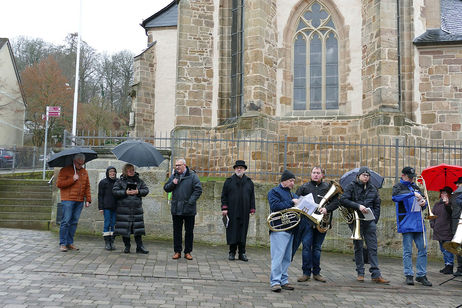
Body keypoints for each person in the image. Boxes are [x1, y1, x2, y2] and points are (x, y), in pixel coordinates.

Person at [340, 166, 389, 284]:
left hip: (369, 221)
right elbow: (343, 200)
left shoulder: (373, 189)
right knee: (358, 247)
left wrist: (374, 219)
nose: (366, 177)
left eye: (367, 176)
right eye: (364, 175)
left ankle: (376, 274)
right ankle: (360, 273)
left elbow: (377, 205)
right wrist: (358, 206)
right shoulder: (351, 186)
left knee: (373, 247)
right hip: (356, 221)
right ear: (359, 176)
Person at [292, 166, 339, 283]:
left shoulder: (328, 188)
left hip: (322, 222)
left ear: (322, 175)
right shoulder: (304, 187)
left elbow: (337, 202)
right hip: (307, 222)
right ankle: (306, 273)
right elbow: (296, 201)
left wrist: (327, 209)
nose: (315, 175)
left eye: (318, 173)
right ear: (310, 174)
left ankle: (316, 273)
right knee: (307, 248)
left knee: (317, 248)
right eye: (313, 173)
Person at [392, 166, 432, 286]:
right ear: (403, 175)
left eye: (412, 178)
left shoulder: (416, 187)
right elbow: (395, 197)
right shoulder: (398, 186)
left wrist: (423, 203)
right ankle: (409, 274)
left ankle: (421, 274)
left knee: (423, 249)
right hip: (406, 222)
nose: (411, 180)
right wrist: (412, 193)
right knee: (408, 251)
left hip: (418, 222)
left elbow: (422, 205)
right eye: (409, 177)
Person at [163, 158, 203, 260]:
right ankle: (177, 251)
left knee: (189, 232)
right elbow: (166, 188)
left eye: (179, 165)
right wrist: (173, 183)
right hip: (176, 209)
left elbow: (198, 190)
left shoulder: (192, 176)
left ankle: (188, 252)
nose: (177, 167)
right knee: (177, 231)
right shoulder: (174, 176)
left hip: (189, 209)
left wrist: (190, 201)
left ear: (184, 165)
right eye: (176, 165)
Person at [268, 170, 299, 292]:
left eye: (293, 181)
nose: (292, 183)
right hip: (279, 228)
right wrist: (292, 203)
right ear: (284, 181)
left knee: (286, 257)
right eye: (291, 181)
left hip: (291, 229)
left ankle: (283, 280)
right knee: (278, 256)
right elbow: (275, 206)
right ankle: (275, 282)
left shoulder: (293, 194)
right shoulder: (274, 192)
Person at [221, 160, 255, 261]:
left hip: (244, 211)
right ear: (235, 169)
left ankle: (242, 253)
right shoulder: (229, 181)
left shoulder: (249, 182)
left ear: (244, 169)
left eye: (241, 167)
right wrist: (224, 208)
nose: (239, 169)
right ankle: (232, 252)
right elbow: (224, 196)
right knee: (233, 231)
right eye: (237, 167)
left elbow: (252, 196)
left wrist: (252, 208)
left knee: (243, 232)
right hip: (232, 210)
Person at [56, 153, 91, 252]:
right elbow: (59, 184)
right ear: (74, 161)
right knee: (66, 221)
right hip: (68, 200)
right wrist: (72, 179)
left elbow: (87, 186)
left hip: (79, 200)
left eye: (82, 164)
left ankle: (69, 243)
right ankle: (62, 243)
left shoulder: (84, 172)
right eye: (79, 164)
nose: (81, 166)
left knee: (74, 222)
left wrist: (88, 199)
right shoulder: (65, 170)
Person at [113, 163, 149, 254]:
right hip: (124, 209)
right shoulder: (120, 181)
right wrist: (125, 192)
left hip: (136, 209)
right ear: (125, 171)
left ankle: (140, 247)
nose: (131, 172)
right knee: (125, 229)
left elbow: (146, 190)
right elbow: (115, 192)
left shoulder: (139, 181)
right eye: (129, 170)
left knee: (137, 228)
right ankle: (127, 246)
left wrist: (138, 191)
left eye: (132, 170)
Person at [430, 186, 454, 274]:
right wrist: (433, 224)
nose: (443, 195)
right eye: (442, 193)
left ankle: (450, 265)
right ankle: (446, 264)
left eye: (445, 193)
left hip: (447, 230)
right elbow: (432, 215)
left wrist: (447, 203)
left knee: (447, 249)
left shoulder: (451, 204)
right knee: (442, 249)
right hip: (438, 230)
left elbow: (451, 213)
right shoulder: (437, 204)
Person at [98, 166, 118, 250]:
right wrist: (101, 207)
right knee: (107, 224)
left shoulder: (118, 182)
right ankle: (107, 242)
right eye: (110, 172)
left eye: (114, 171)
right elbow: (100, 195)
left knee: (113, 224)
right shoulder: (103, 182)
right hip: (106, 207)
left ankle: (112, 242)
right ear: (107, 173)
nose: (112, 173)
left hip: (115, 207)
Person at [450, 177, 462, 276]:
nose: (457, 185)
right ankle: (460, 268)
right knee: (458, 246)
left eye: (459, 183)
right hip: (456, 222)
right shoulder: (455, 194)